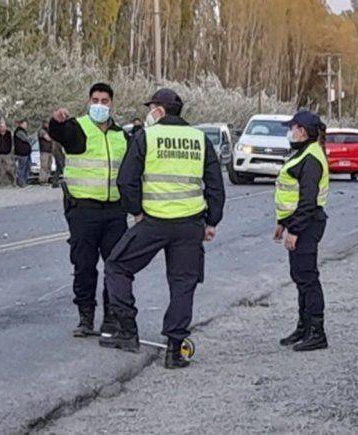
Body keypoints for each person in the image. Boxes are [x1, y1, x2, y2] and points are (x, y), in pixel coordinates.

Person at [99, 89, 225, 369]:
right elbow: (215, 184)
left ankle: (127, 330)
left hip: (154, 222)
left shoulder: (147, 136)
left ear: (160, 110)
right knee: (183, 284)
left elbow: (126, 180)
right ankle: (175, 349)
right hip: (190, 224)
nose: (149, 112)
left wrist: (137, 211)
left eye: (152, 107)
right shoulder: (199, 139)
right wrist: (212, 221)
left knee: (117, 266)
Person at [49, 83, 129, 337]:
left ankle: (111, 317)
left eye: (105, 101)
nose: (100, 105)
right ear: (88, 102)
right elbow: (60, 133)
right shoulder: (78, 128)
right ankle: (86, 317)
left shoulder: (120, 135)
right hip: (83, 211)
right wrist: (56, 121)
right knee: (84, 265)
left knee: (115, 265)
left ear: (112, 104)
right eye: (95, 100)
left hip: (115, 211)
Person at [274, 110, 330, 352]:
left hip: (308, 223)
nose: (290, 132)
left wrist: (294, 230)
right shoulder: (304, 153)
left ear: (303, 132)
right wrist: (283, 223)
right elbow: (292, 195)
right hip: (301, 222)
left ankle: (317, 332)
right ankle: (304, 327)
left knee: (307, 278)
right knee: (300, 276)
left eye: (293, 127)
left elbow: (308, 200)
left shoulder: (311, 159)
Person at [13, 119, 32, 187]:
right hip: (22, 153)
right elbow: (25, 139)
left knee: (28, 167)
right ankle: (20, 181)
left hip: (26, 152)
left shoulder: (24, 131)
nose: (26, 126)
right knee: (22, 167)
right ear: (21, 124)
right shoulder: (19, 132)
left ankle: (24, 180)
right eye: (25, 124)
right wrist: (30, 137)